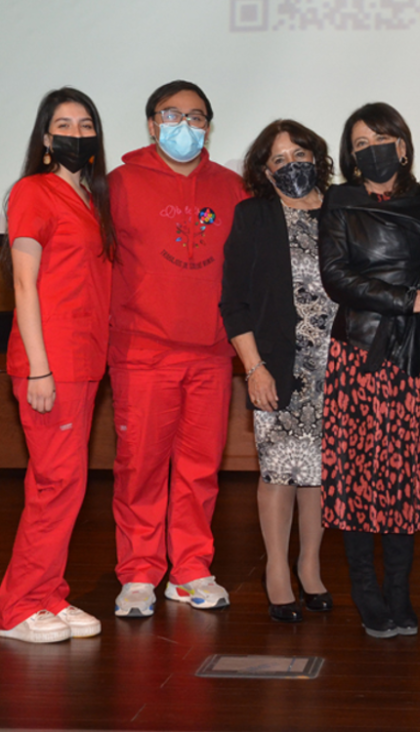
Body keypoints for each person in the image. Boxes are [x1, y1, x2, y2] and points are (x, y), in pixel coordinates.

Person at [108, 80, 247, 617]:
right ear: (150, 123)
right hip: (142, 350)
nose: (183, 126)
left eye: (195, 117)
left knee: (199, 467)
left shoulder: (231, 187)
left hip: (212, 351)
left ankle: (190, 569)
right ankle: (139, 572)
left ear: (209, 127)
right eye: (171, 114)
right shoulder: (118, 184)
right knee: (140, 465)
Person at [318, 102, 420, 639]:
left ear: (402, 143)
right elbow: (335, 277)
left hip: (411, 358)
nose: (369, 148)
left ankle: (399, 593)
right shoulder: (339, 200)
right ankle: (366, 595)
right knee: (355, 480)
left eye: (379, 136)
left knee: (404, 482)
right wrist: (406, 298)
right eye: (359, 141)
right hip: (357, 355)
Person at [0, 88, 114, 643]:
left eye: (85, 123)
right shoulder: (31, 191)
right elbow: (24, 283)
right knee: (53, 484)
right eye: (63, 124)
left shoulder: (93, 198)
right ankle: (18, 606)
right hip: (52, 363)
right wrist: (39, 368)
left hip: (85, 362)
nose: (76, 133)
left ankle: (49, 594)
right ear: (46, 139)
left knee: (66, 485)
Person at [220, 120, 336, 623]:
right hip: (279, 366)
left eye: (300, 153)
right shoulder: (253, 217)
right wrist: (254, 369)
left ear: (317, 156)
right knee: (280, 471)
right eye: (279, 159)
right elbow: (234, 302)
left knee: (320, 472)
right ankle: (276, 571)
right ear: (265, 172)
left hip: (340, 366)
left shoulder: (341, 209)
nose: (292, 165)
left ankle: (310, 566)